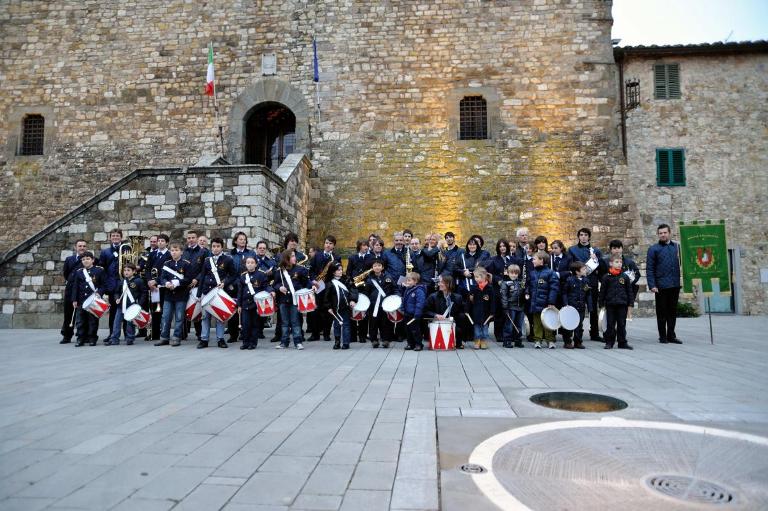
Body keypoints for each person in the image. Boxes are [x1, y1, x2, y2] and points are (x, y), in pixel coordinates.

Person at [195, 237, 237, 349]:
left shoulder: (227, 259)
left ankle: (220, 339)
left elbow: (233, 275)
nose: (215, 248)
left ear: (221, 247)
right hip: (206, 291)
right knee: (205, 317)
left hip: (218, 292)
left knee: (220, 317)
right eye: (213, 246)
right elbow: (202, 276)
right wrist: (199, 295)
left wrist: (225, 283)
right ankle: (204, 339)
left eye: (218, 246)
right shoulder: (207, 260)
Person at [567, 228, 606, 342]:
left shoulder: (596, 251)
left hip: (592, 282)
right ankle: (573, 333)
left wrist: (596, 259)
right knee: (575, 308)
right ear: (578, 237)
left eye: (585, 235)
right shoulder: (572, 250)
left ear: (589, 237)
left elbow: (602, 268)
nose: (583, 237)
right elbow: (570, 265)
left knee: (592, 308)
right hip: (577, 282)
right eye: (581, 235)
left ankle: (594, 333)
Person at [646, 224, 682, 344]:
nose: (662, 235)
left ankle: (671, 335)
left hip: (674, 284)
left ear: (669, 233)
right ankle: (662, 336)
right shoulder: (653, 249)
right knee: (661, 312)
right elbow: (650, 269)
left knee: (672, 311)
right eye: (660, 233)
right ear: (658, 234)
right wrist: (652, 285)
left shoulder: (677, 247)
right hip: (660, 286)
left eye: (665, 232)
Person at [156, 242, 192, 347]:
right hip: (169, 295)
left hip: (181, 295)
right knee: (165, 317)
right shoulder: (167, 264)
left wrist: (177, 283)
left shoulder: (186, 264)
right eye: (172, 250)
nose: (174, 252)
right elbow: (162, 277)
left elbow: (188, 279)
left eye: (176, 250)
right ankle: (164, 337)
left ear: (181, 252)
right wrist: (166, 283)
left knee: (179, 317)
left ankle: (176, 337)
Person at [276, 249, 311, 350]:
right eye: (292, 256)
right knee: (285, 323)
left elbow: (306, 281)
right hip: (283, 300)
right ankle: (284, 342)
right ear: (286, 258)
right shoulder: (279, 271)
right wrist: (279, 288)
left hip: (295, 300)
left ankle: (298, 342)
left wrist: (311, 286)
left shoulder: (300, 269)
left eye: (294, 256)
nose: (295, 258)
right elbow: (275, 283)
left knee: (295, 322)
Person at [69, 251, 107, 347]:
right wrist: (74, 299)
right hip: (81, 300)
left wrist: (99, 293)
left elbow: (103, 285)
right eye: (83, 259)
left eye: (88, 259)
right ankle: (80, 339)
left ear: (93, 260)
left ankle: (92, 338)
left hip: (93, 300)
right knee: (80, 321)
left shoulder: (99, 271)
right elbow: (75, 287)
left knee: (93, 320)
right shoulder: (79, 272)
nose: (85, 261)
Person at [237, 255, 274, 350]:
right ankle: (245, 342)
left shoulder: (261, 275)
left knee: (254, 324)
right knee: (245, 325)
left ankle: (253, 343)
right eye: (248, 263)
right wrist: (239, 305)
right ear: (245, 264)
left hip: (256, 305)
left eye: (252, 262)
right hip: (245, 304)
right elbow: (240, 292)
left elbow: (266, 286)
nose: (250, 264)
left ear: (256, 264)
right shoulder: (242, 276)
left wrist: (271, 291)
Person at [308, 235, 340, 342]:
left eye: (330, 243)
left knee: (328, 311)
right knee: (315, 311)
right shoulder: (317, 255)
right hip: (318, 285)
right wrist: (313, 280)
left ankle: (326, 334)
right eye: (326, 243)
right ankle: (315, 334)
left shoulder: (336, 257)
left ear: (334, 246)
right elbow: (311, 270)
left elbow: (338, 272)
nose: (328, 245)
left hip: (329, 287)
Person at [599, 255, 634, 350]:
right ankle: (609, 342)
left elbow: (629, 291)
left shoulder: (625, 277)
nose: (619, 264)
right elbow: (602, 291)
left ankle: (622, 342)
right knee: (610, 324)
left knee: (622, 324)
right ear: (611, 263)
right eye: (616, 262)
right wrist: (601, 304)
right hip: (610, 304)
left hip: (622, 304)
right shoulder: (606, 277)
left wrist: (630, 303)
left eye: (620, 262)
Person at [526, 251, 560, 349]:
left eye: (534, 259)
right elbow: (528, 285)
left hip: (546, 304)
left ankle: (550, 340)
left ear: (541, 261)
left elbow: (554, 288)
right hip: (535, 303)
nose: (532, 261)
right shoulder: (532, 273)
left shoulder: (550, 273)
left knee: (548, 322)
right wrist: (527, 292)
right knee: (536, 322)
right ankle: (537, 339)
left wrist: (551, 301)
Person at [107, 263, 146, 346]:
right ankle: (114, 338)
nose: (126, 272)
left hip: (132, 306)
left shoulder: (138, 281)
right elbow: (117, 292)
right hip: (121, 306)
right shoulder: (122, 281)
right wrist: (117, 298)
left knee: (130, 323)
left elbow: (143, 293)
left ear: (134, 271)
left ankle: (130, 338)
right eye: (124, 270)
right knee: (116, 322)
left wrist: (140, 303)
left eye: (128, 270)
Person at [424, 274, 466, 349]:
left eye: (442, 282)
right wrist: (435, 315)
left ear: (449, 284)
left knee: (462, 317)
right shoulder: (433, 297)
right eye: (439, 282)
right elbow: (425, 311)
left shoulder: (458, 297)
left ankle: (459, 340)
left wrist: (453, 319)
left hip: (451, 322)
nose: (439, 284)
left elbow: (461, 312)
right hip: (437, 323)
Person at [228, 231, 256, 343]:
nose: (243, 241)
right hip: (233, 286)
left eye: (244, 239)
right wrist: (230, 283)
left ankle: (245, 334)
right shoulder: (230, 254)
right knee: (233, 311)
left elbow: (254, 268)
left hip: (247, 286)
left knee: (246, 310)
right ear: (235, 241)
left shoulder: (251, 253)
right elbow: (228, 271)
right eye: (240, 239)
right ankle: (233, 334)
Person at [324, 262, 358, 350]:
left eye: (341, 269)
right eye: (338, 270)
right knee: (336, 325)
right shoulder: (329, 283)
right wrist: (329, 307)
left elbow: (353, 290)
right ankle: (337, 342)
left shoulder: (347, 279)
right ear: (333, 271)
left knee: (346, 325)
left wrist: (353, 300)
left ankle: (346, 343)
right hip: (335, 308)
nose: (340, 271)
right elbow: (326, 297)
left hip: (346, 307)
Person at [487, 239, 516, 342]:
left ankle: (508, 333)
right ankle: (498, 334)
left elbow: (517, 272)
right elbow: (490, 274)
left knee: (509, 311)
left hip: (510, 289)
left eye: (504, 246)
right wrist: (498, 280)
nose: (502, 248)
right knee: (499, 312)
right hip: (498, 289)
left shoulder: (513, 259)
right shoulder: (493, 259)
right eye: (500, 246)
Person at [182, 231, 209, 341]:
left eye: (193, 237)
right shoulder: (184, 252)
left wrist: (197, 279)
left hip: (197, 284)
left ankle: (199, 333)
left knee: (197, 308)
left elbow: (205, 268)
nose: (191, 240)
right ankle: (183, 333)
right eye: (189, 238)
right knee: (183, 309)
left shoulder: (203, 252)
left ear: (196, 239)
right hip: (185, 284)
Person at [364, 259, 397, 348]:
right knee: (373, 323)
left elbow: (394, 289)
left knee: (385, 322)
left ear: (382, 267)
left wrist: (396, 298)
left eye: (379, 265)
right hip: (373, 305)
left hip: (386, 305)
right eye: (375, 266)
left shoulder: (388, 277)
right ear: (372, 268)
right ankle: (374, 340)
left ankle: (386, 340)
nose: (377, 267)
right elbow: (366, 293)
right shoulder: (369, 279)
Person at [98, 228, 124, 342]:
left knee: (126, 309)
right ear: (110, 238)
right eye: (113, 236)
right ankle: (112, 333)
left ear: (121, 237)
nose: (115, 237)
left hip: (124, 283)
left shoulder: (126, 249)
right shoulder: (105, 252)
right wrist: (106, 284)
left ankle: (128, 334)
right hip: (112, 285)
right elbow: (102, 268)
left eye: (117, 236)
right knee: (113, 310)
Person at [346, 239, 373, 342]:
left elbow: (371, 273)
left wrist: (366, 282)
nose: (366, 247)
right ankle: (353, 336)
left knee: (364, 311)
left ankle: (362, 336)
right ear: (359, 246)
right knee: (353, 310)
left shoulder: (370, 257)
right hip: (354, 287)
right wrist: (351, 281)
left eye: (367, 246)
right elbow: (348, 272)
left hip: (365, 287)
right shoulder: (352, 257)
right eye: (364, 245)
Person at [60, 239, 87, 344]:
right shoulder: (69, 259)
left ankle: (83, 335)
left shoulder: (90, 259)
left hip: (83, 290)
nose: (82, 248)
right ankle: (67, 335)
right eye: (80, 246)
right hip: (70, 290)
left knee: (84, 314)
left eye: (84, 246)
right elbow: (66, 274)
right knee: (68, 314)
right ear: (75, 247)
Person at [147, 234, 171, 341]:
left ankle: (165, 332)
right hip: (154, 288)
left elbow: (167, 272)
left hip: (164, 286)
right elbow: (148, 269)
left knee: (165, 311)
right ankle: (155, 334)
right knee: (156, 310)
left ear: (166, 243)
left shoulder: (169, 255)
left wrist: (156, 281)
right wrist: (149, 281)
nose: (160, 242)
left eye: (162, 241)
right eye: (159, 241)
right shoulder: (152, 254)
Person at [561, 261, 590, 349]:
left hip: (581, 306)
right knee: (569, 324)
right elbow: (564, 293)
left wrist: (590, 306)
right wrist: (565, 303)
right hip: (571, 306)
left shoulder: (586, 280)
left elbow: (588, 294)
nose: (585, 271)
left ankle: (578, 341)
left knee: (579, 325)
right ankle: (567, 342)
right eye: (584, 269)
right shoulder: (569, 280)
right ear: (577, 271)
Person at [606, 239, 641, 305]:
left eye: (619, 248)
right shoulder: (606, 262)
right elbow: (602, 276)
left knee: (625, 313)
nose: (617, 250)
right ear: (611, 250)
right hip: (611, 293)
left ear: (622, 248)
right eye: (614, 248)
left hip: (626, 293)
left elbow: (637, 274)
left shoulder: (629, 262)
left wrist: (630, 282)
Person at [468, 267, 495, 350]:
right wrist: (467, 309)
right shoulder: (473, 288)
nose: (475, 279)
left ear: (483, 277)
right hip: (476, 311)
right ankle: (477, 341)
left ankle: (483, 341)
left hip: (486, 313)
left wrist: (492, 311)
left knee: (485, 328)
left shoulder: (489, 288)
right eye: (475, 277)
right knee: (477, 328)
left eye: (477, 277)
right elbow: (469, 300)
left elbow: (493, 301)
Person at [499, 264, 526, 348]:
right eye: (512, 273)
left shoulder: (521, 282)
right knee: (509, 325)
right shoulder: (505, 283)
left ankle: (518, 340)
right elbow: (504, 296)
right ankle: (507, 340)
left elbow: (524, 292)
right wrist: (505, 307)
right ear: (508, 273)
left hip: (520, 307)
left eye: (516, 273)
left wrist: (526, 294)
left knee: (519, 324)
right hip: (510, 307)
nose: (514, 275)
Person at [402, 272, 427, 351]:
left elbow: (420, 303)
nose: (407, 282)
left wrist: (417, 313)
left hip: (414, 315)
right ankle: (410, 343)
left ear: (415, 281)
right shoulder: (407, 290)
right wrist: (402, 309)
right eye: (406, 281)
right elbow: (404, 300)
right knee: (408, 330)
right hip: (407, 314)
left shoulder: (419, 290)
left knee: (415, 330)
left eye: (409, 281)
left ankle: (418, 344)